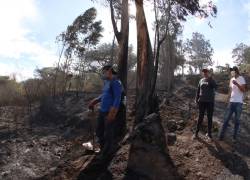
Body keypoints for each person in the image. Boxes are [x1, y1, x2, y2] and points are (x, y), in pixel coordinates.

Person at [88, 65, 124, 156]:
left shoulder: (116, 83)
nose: (103, 73)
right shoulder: (107, 82)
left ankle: (107, 153)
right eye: (103, 72)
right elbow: (104, 95)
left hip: (109, 112)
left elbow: (117, 99)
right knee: (99, 131)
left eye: (104, 71)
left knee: (108, 133)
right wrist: (95, 101)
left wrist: (113, 113)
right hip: (102, 111)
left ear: (110, 70)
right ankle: (103, 148)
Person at [219, 66, 246, 142]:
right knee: (226, 119)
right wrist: (227, 100)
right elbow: (230, 91)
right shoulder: (231, 79)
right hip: (231, 102)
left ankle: (234, 137)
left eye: (232, 71)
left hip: (239, 103)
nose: (231, 73)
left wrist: (237, 84)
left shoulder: (241, 79)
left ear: (236, 71)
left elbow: (243, 90)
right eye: (231, 72)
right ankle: (221, 136)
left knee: (237, 121)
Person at [193, 68, 217, 140]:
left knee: (209, 118)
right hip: (202, 101)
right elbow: (198, 90)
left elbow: (216, 87)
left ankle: (209, 134)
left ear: (208, 73)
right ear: (202, 73)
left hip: (210, 102)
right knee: (200, 117)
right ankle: (196, 133)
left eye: (206, 72)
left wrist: (210, 79)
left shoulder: (211, 80)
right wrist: (196, 99)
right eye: (203, 72)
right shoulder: (201, 80)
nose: (205, 73)